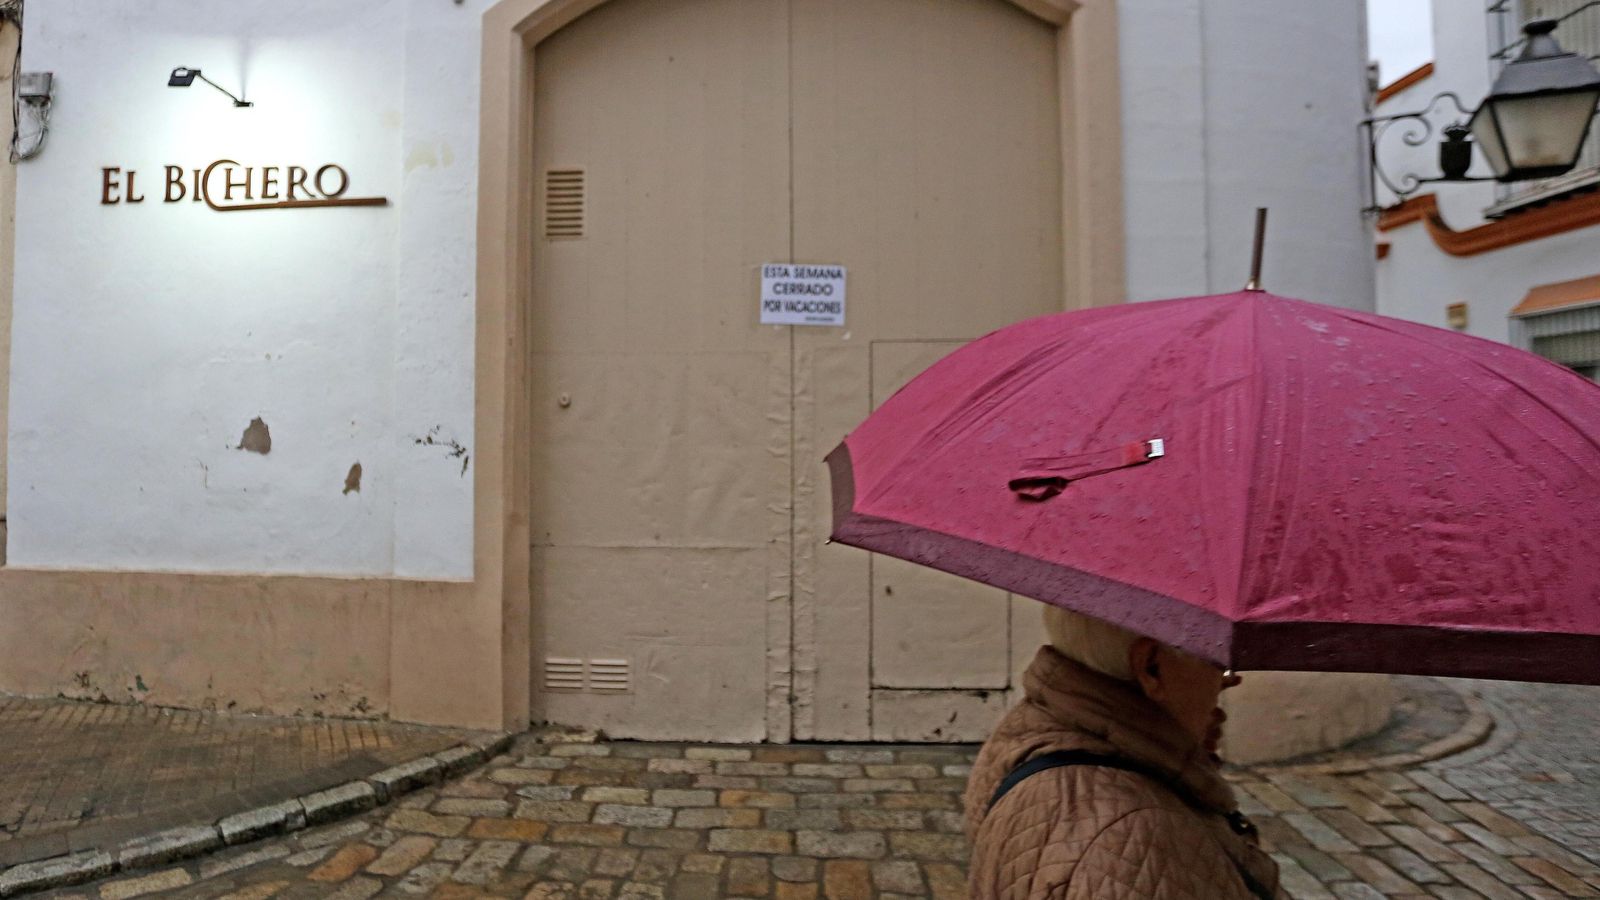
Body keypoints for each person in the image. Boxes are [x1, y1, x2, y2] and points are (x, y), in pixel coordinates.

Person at [963, 605, 1282, 899]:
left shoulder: (1033, 729)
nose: (1229, 678)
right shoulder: (1138, 838)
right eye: (1216, 659)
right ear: (1151, 667)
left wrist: (1181, 747)